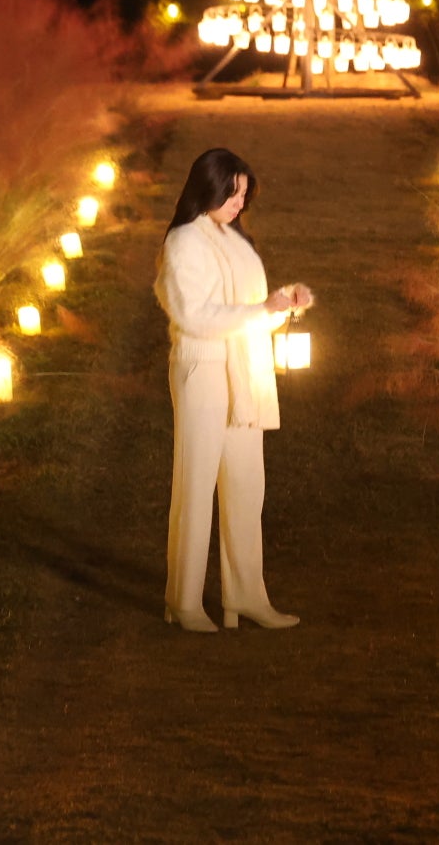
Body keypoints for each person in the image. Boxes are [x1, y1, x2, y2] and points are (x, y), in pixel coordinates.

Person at [154, 147, 314, 631]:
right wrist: (261, 310)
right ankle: (182, 601)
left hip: (244, 374)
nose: (240, 202)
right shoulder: (183, 244)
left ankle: (245, 596)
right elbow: (194, 316)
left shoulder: (237, 242)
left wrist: (283, 304)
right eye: (233, 192)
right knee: (196, 484)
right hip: (203, 372)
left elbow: (249, 310)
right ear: (210, 187)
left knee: (247, 486)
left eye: (244, 194)